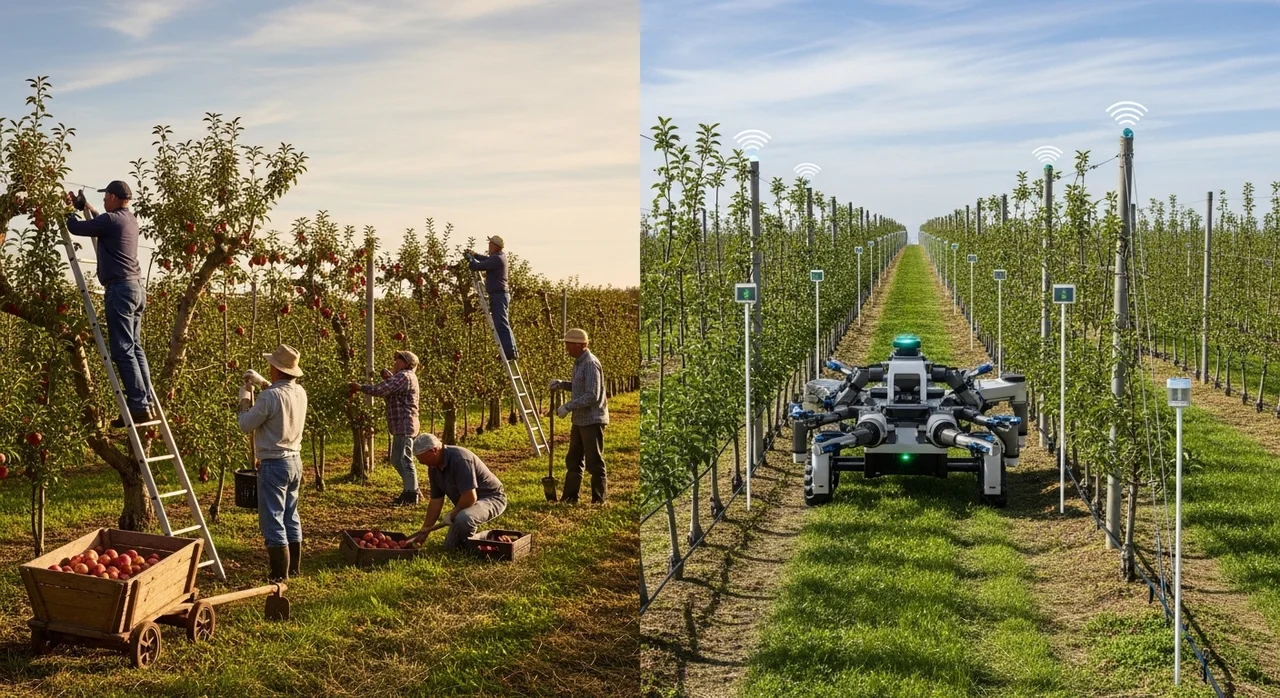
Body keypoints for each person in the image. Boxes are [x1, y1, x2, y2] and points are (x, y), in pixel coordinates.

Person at [65, 181, 153, 428]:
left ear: (114, 197)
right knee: (135, 348)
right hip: (136, 289)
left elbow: (75, 227)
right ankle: (146, 403)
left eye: (106, 197)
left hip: (120, 291)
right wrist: (87, 206)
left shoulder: (111, 221)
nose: (104, 201)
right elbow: (101, 219)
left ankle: (138, 407)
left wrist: (67, 209)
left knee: (122, 350)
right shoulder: (129, 220)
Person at [237, 345, 308, 582]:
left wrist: (244, 400)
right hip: (295, 461)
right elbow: (279, 395)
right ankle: (295, 569)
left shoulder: (269, 396)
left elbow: (246, 424)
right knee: (290, 514)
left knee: (273, 518)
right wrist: (261, 382)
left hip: (274, 464)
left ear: (276, 369)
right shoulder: (300, 392)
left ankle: (279, 575)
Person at [405, 434, 507, 550]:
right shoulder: (433, 467)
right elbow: (436, 501)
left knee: (464, 518)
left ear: (434, 450)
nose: (421, 463)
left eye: (422, 458)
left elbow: (470, 498)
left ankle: (482, 543)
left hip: (491, 498)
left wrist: (452, 514)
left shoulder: (460, 459)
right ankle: (475, 542)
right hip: (467, 504)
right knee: (451, 548)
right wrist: (425, 530)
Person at [350, 350, 421, 506]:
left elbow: (381, 390)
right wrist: (389, 376)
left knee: (404, 459)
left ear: (407, 364)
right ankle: (411, 487)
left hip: (404, 424)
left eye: (399, 359)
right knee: (396, 460)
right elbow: (394, 388)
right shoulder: (404, 377)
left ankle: (411, 494)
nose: (395, 362)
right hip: (401, 425)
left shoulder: (405, 376)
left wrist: (360, 387)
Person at [548, 328, 609, 504]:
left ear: (580, 345)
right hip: (580, 420)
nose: (566, 348)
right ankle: (569, 497)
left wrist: (568, 406)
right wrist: (562, 384)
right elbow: (579, 386)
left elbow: (592, 395)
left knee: (594, 461)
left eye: (568, 344)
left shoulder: (590, 363)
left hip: (592, 420)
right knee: (573, 459)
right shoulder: (579, 363)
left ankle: (599, 500)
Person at [465, 235, 517, 361]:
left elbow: (478, 266)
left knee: (501, 324)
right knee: (502, 323)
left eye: (490, 244)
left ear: (495, 246)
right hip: (499, 295)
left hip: (499, 295)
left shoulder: (497, 259)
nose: (488, 246)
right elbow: (485, 259)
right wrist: (475, 255)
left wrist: (470, 260)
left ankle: (509, 353)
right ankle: (510, 350)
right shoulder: (498, 257)